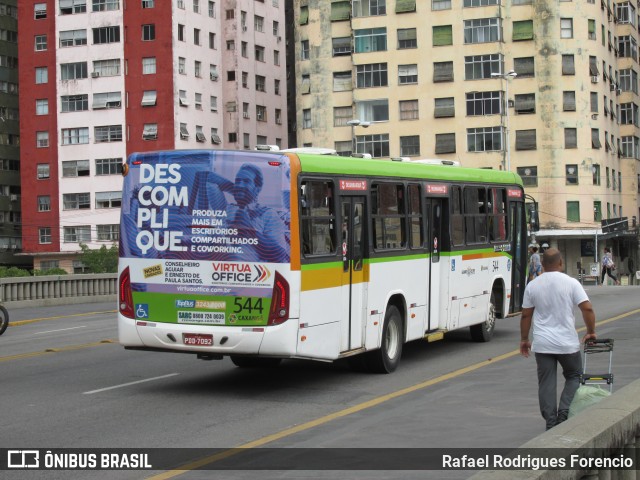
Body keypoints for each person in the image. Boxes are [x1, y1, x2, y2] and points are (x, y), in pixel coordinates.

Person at [520, 248, 597, 430]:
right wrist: (591, 331)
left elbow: (525, 316)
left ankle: (550, 421)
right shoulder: (571, 283)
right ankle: (564, 412)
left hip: (543, 344)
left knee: (546, 381)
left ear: (543, 265)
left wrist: (524, 339)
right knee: (574, 376)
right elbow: (587, 309)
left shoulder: (532, 285)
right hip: (567, 343)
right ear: (561, 263)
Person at [206, 163, 289, 263]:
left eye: (246, 181)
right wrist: (238, 190)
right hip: (220, 271)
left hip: (251, 274)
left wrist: (249, 230)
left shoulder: (268, 214)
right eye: (238, 181)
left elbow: (279, 254)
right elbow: (209, 178)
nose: (240, 184)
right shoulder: (225, 208)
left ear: (257, 188)